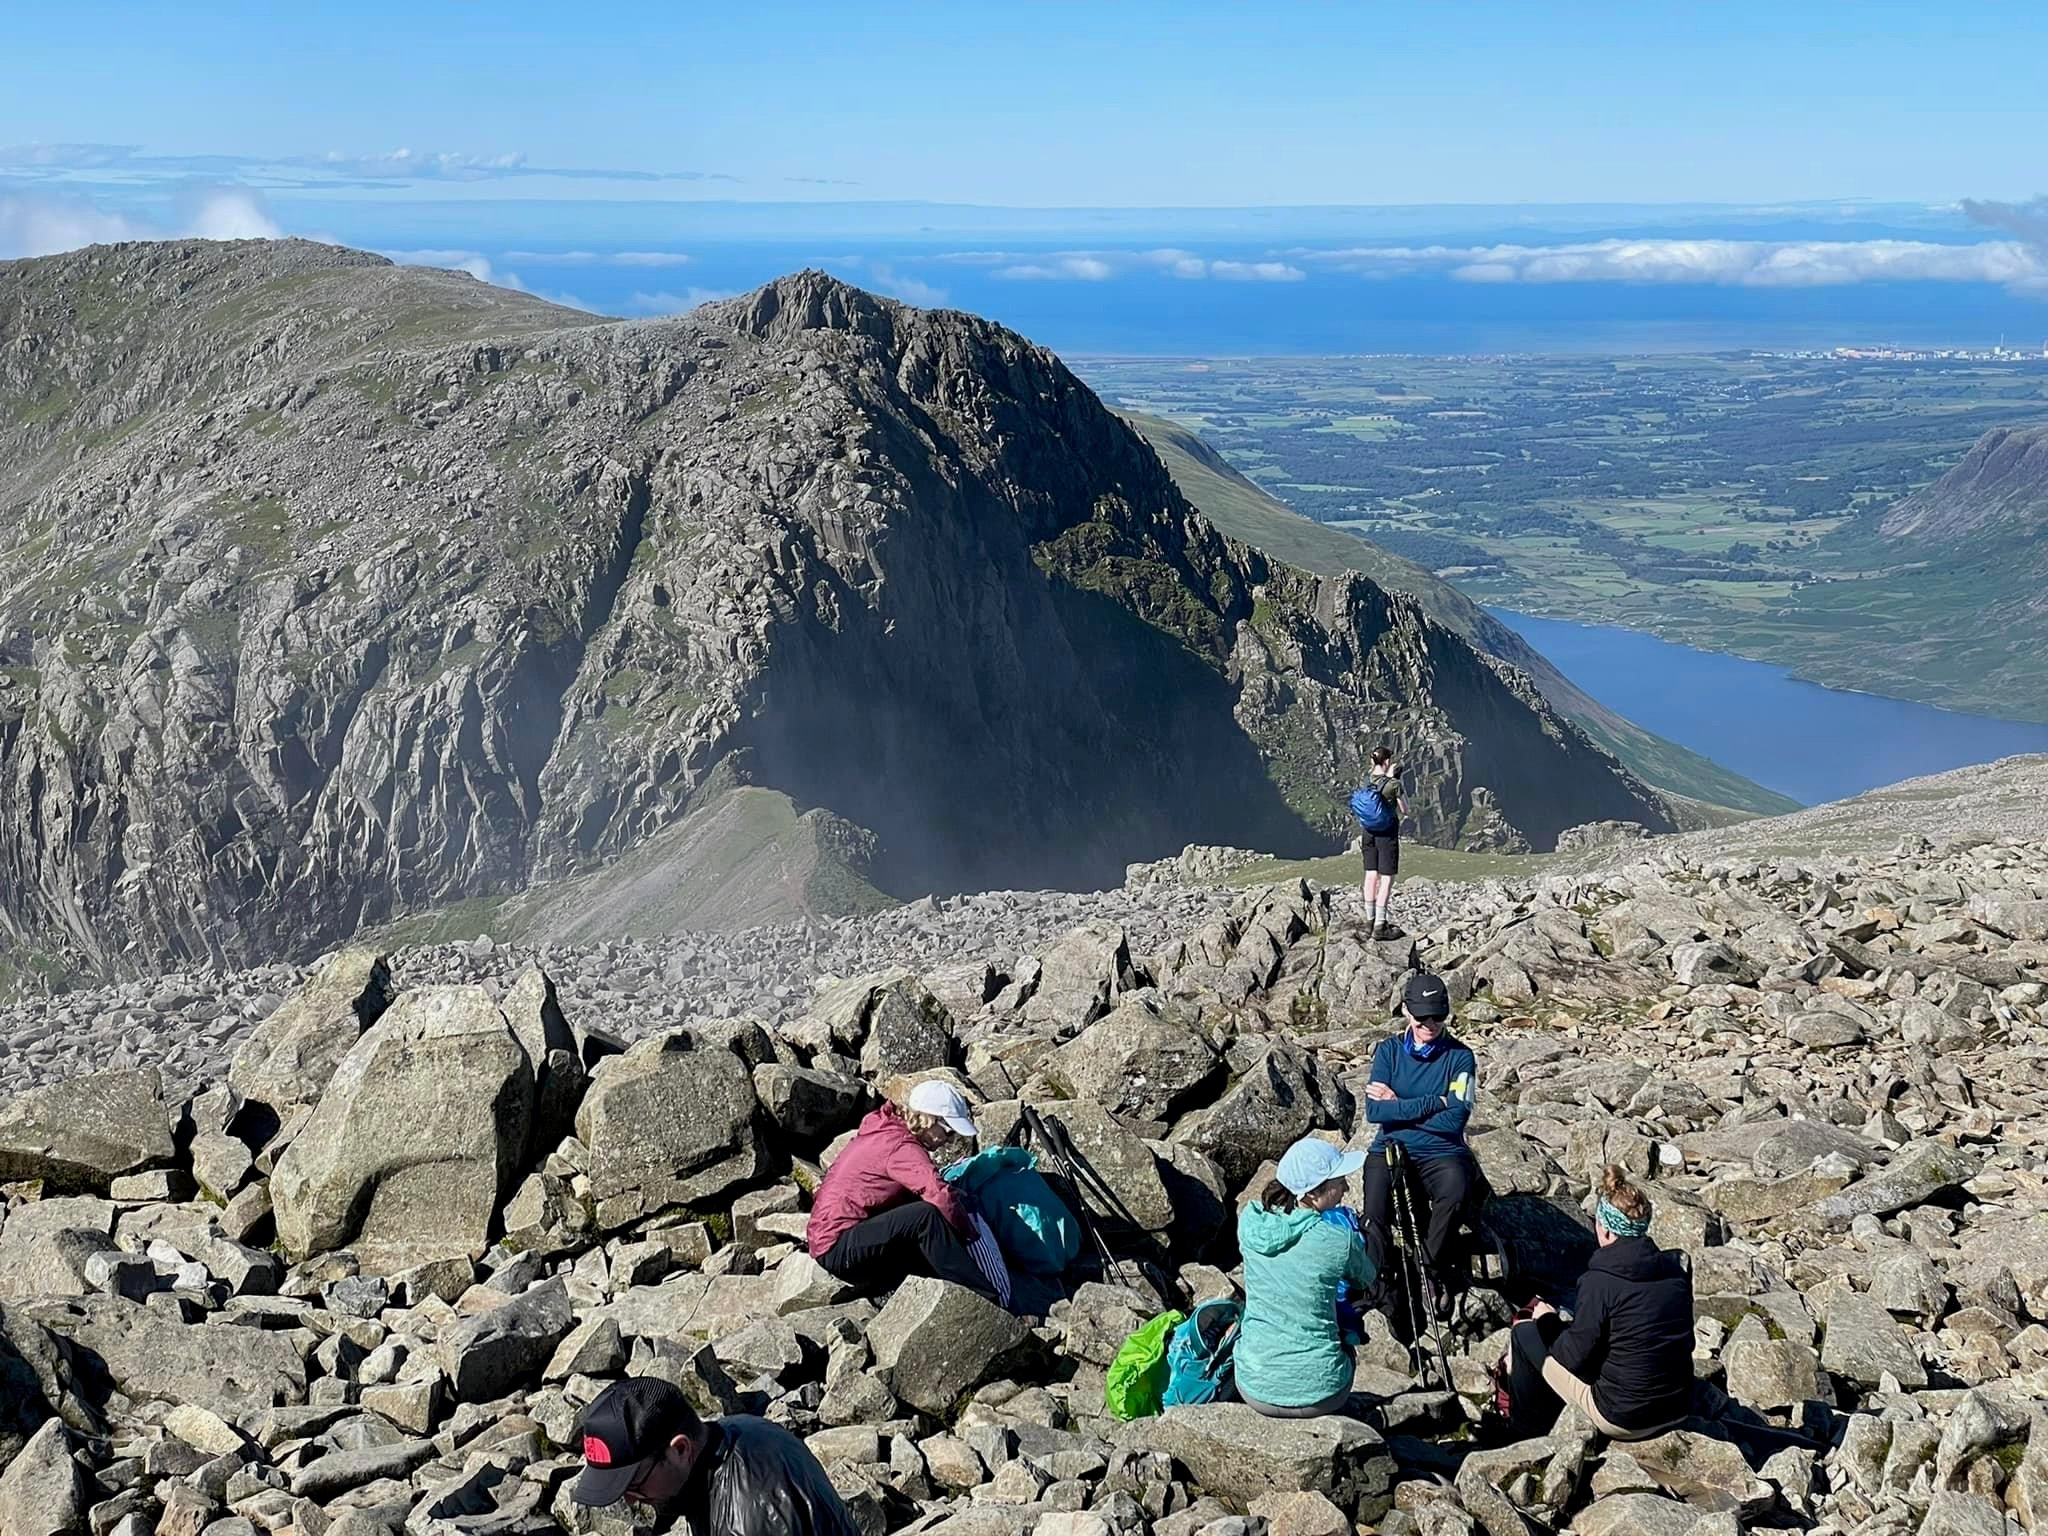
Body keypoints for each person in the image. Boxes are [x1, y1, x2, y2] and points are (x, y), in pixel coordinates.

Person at [1503, 1166, 1695, 1441]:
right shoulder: (1674, 1271)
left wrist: (1546, 1319)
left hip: (1623, 1417)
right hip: (1679, 1406)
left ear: (1604, 1229)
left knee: (1524, 1334)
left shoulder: (1599, 1281)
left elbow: (1571, 1356)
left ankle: (1525, 1432)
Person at [573, 1377, 859, 1535]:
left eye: (634, 1484)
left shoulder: (752, 1519)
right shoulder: (732, 1430)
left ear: (680, 1449)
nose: (629, 1499)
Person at [806, 1079, 1000, 1302]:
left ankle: (889, 1286)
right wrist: (969, 1234)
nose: (948, 1141)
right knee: (926, 1217)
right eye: (948, 1132)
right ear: (929, 1119)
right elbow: (937, 1193)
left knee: (924, 1220)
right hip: (837, 1246)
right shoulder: (900, 1146)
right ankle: (985, 1298)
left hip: (835, 1240)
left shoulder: (885, 1130)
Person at [1362, 972, 1480, 1320]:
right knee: (1374, 1210)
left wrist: (1398, 1106)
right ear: (1405, 1011)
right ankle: (1379, 1281)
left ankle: (1429, 1266)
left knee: (1456, 1191)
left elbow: (1455, 1119)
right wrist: (1432, 1102)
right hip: (1389, 1146)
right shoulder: (1387, 1052)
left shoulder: (1461, 1057)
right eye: (1422, 1016)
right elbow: (1374, 1111)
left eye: (1438, 1016)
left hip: (1443, 1151)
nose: (1430, 1024)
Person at [1235, 1136, 1377, 1418]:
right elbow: (1366, 1279)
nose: (1346, 1188)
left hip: (1253, 1386)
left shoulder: (1249, 1223)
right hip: (1323, 1394)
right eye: (1339, 1182)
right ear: (1312, 1194)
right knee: (1346, 1322)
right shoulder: (1339, 1239)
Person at [1360, 747, 1404, 940]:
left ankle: (1369, 920)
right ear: (1386, 762)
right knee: (1386, 879)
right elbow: (1405, 809)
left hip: (1368, 832)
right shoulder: (1394, 784)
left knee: (1370, 875)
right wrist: (1395, 780)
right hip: (1387, 835)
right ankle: (1380, 926)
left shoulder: (1366, 780)